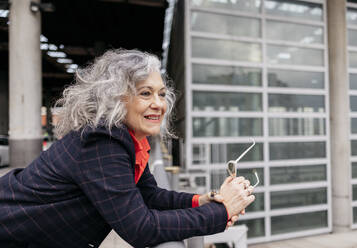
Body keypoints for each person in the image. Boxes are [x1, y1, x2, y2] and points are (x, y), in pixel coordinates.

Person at [0, 49, 255, 248]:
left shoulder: (127, 139)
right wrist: (221, 212)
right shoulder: (102, 142)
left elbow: (148, 195)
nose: (158, 104)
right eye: (145, 93)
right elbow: (140, 228)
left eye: (162, 93)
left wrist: (203, 201)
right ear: (116, 99)